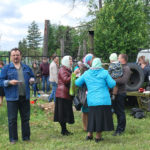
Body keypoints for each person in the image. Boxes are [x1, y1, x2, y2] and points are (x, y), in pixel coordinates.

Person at [75, 58, 116, 143]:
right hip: (103, 100)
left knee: (92, 117)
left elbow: (77, 82)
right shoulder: (104, 73)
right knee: (100, 118)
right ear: (100, 64)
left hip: (92, 100)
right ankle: (98, 137)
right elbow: (112, 84)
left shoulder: (87, 73)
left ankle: (89, 135)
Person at [0, 48, 35, 144]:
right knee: (12, 119)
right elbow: (0, 81)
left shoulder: (26, 68)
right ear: (11, 57)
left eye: (17, 55)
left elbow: (32, 77)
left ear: (21, 56)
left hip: (25, 97)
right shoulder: (6, 68)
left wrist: (32, 80)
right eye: (14, 55)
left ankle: (26, 137)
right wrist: (9, 82)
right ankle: (13, 139)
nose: (16, 57)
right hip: (12, 98)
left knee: (25, 118)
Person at [54, 56, 79, 136]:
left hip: (65, 94)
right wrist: (74, 74)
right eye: (70, 60)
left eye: (71, 60)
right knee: (62, 113)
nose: (71, 62)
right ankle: (63, 130)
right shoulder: (62, 69)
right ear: (65, 61)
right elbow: (65, 80)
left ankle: (64, 130)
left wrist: (75, 76)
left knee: (64, 113)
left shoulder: (67, 69)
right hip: (62, 94)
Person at [112, 54, 131, 136]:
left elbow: (123, 80)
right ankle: (118, 128)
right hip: (115, 93)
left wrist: (112, 80)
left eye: (119, 57)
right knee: (116, 111)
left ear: (123, 59)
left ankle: (120, 130)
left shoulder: (126, 68)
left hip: (121, 92)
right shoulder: (118, 67)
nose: (117, 59)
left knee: (120, 112)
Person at [80, 53, 94, 131]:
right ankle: (85, 127)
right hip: (84, 90)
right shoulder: (84, 68)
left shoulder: (91, 67)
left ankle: (89, 125)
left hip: (90, 90)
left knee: (89, 110)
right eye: (91, 59)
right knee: (85, 110)